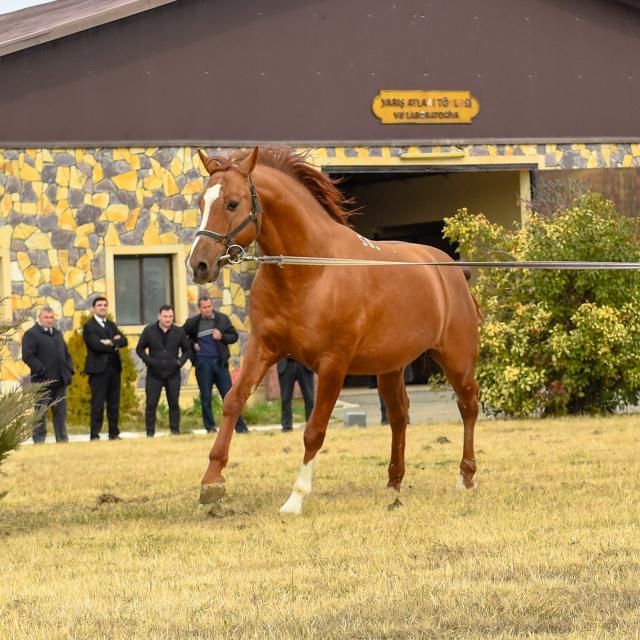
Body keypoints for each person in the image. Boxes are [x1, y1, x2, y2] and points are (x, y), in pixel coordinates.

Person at [183, 295, 248, 433]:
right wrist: (192, 344)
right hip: (203, 364)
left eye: (209, 307)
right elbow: (181, 337)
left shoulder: (222, 319)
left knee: (229, 396)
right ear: (199, 308)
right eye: (204, 307)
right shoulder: (193, 322)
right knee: (206, 397)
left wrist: (222, 336)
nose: (207, 310)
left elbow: (234, 336)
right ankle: (210, 427)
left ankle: (240, 427)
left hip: (220, 363)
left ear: (212, 306)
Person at [136, 305, 191, 437]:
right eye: (165, 316)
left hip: (173, 373)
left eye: (170, 316)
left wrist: (179, 362)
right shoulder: (149, 331)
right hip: (154, 374)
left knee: (174, 403)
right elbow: (140, 349)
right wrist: (149, 361)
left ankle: (175, 431)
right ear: (159, 316)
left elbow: (187, 350)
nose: (168, 319)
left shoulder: (179, 332)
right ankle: (150, 433)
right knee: (151, 403)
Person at [21, 307, 74, 443]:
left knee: (60, 413)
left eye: (51, 317)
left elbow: (66, 354)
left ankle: (62, 439)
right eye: (46, 317)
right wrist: (41, 370)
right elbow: (28, 356)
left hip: (60, 381)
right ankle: (39, 440)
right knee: (41, 412)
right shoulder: (31, 334)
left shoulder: (57, 333)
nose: (49, 320)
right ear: (39, 318)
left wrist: (68, 370)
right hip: (42, 381)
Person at [83, 296, 128, 441]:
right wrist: (113, 344)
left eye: (105, 305)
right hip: (98, 371)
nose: (102, 307)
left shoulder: (111, 325)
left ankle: (114, 433)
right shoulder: (89, 326)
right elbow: (95, 345)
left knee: (114, 403)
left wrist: (110, 343)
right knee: (97, 403)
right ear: (94, 309)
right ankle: (94, 434)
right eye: (99, 305)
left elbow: (124, 341)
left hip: (114, 369)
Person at [277, 358, 315, 432]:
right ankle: (286, 427)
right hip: (286, 364)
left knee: (309, 399)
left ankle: (311, 427)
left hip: (304, 364)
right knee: (285, 399)